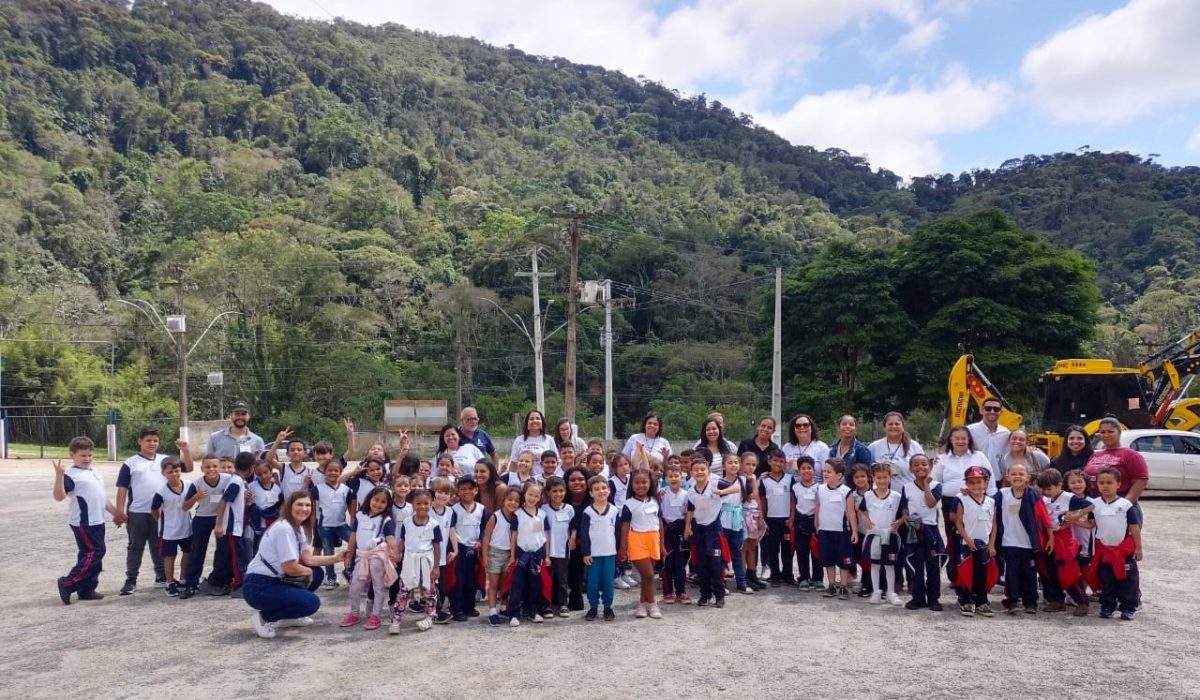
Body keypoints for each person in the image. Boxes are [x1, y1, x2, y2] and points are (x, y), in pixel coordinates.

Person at [242, 491, 345, 639]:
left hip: (275, 579)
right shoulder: (284, 528)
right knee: (311, 603)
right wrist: (307, 572)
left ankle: (288, 617)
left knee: (317, 573)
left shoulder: (298, 528)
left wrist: (337, 558)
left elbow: (308, 560)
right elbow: (289, 567)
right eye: (299, 504)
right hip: (259, 586)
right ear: (289, 506)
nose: (304, 509)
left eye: (308, 505)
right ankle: (263, 618)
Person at [114, 427, 192, 595]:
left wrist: (185, 450)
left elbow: (188, 468)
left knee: (159, 546)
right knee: (135, 546)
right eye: (148, 440)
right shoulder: (131, 463)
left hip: (161, 512)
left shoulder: (164, 460)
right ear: (140, 441)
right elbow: (122, 488)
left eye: (155, 440)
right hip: (137, 512)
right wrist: (120, 511)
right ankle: (131, 580)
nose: (152, 443)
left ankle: (161, 576)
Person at [54, 437, 115, 604]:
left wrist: (116, 513)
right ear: (72, 455)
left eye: (89, 455)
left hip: (98, 520)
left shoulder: (95, 472)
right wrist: (59, 476)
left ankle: (86, 589)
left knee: (88, 555)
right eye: (82, 455)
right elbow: (59, 496)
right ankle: (68, 582)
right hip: (84, 522)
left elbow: (102, 498)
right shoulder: (71, 475)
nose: (87, 459)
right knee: (96, 552)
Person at [932, 425, 995, 587]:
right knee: (955, 539)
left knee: (977, 537)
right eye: (956, 438)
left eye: (963, 438)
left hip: (978, 502)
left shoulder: (979, 456)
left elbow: (990, 480)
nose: (960, 441)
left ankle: (978, 574)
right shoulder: (942, 458)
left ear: (969, 440)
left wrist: (989, 499)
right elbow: (934, 481)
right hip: (951, 503)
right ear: (951, 440)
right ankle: (956, 576)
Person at [684, 453, 743, 608]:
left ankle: (719, 596)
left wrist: (722, 492)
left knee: (716, 565)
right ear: (691, 473)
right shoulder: (691, 491)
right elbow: (690, 510)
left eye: (702, 469)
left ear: (708, 471)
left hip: (714, 531)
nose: (699, 472)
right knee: (701, 566)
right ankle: (705, 595)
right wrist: (687, 527)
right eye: (696, 470)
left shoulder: (715, 484)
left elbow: (737, 487)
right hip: (699, 531)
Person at [994, 463, 1051, 615]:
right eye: (1013, 474)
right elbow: (987, 505)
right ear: (1007, 477)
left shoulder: (1033, 495)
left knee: (1030, 573)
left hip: (1028, 542)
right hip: (1009, 541)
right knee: (1011, 573)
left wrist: (1050, 537)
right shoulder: (1002, 494)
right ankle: (1012, 600)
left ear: (1028, 477)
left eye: (1021, 473)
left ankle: (1030, 602)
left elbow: (1045, 518)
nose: (1017, 476)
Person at [1037, 467, 1092, 616]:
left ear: (1059, 484)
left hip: (1064, 539)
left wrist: (1075, 517)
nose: (1046, 492)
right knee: (1049, 570)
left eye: (1049, 489)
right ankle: (1057, 600)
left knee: (1067, 571)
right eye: (1044, 489)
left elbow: (1091, 506)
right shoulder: (1045, 499)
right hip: (1049, 537)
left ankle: (1081, 601)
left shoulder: (1069, 498)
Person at [340, 487, 397, 631]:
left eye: (383, 502)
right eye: (376, 499)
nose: (378, 504)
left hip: (377, 556)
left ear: (388, 505)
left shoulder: (386, 520)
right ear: (370, 498)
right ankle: (354, 613)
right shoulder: (360, 515)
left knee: (378, 586)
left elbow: (390, 538)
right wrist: (349, 553)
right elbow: (353, 535)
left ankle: (376, 615)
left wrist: (395, 553)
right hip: (361, 556)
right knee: (355, 586)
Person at [1090, 468, 1143, 620]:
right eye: (1101, 483)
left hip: (1123, 551)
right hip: (1104, 551)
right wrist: (1073, 521)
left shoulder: (1126, 505)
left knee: (1127, 580)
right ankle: (1107, 606)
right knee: (1107, 580)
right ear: (1097, 485)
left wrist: (1138, 548)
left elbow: (1134, 527)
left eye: (1109, 482)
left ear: (1118, 484)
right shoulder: (1094, 504)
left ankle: (1128, 607)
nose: (1105, 486)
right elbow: (1090, 523)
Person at [390, 489, 442, 633]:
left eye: (426, 503)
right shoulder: (407, 522)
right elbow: (403, 540)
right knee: (404, 590)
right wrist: (397, 553)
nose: (422, 506)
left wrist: (436, 566)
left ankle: (429, 617)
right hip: (409, 560)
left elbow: (437, 547)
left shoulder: (434, 524)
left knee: (429, 591)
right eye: (418, 503)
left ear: (431, 504)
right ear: (412, 504)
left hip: (426, 561)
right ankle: (396, 620)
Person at [179, 454, 227, 599]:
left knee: (223, 551)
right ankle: (191, 584)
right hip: (202, 517)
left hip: (221, 518)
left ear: (220, 467)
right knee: (197, 551)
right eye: (207, 467)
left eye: (215, 466)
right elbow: (185, 507)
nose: (211, 469)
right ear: (202, 469)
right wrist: (196, 497)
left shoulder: (227, 480)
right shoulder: (197, 484)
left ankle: (218, 581)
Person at [900, 453, 944, 611]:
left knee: (933, 566)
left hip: (930, 529)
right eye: (916, 465)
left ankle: (933, 598)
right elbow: (905, 509)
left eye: (924, 464)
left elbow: (931, 504)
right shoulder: (906, 487)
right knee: (916, 565)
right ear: (911, 469)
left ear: (930, 466)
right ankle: (918, 597)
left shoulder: (936, 485)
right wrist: (907, 520)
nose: (920, 467)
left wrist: (926, 485)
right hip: (914, 529)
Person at [619, 469, 666, 618]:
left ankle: (642, 604)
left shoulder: (655, 501)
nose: (641, 485)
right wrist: (623, 547)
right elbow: (624, 526)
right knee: (649, 574)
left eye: (644, 482)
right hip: (637, 540)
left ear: (650, 483)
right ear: (632, 485)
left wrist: (662, 545)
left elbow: (660, 523)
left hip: (653, 539)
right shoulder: (629, 504)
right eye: (637, 482)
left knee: (647, 577)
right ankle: (652, 603)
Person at [205, 453, 252, 597]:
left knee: (232, 556)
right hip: (230, 528)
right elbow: (224, 502)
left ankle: (221, 582)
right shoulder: (236, 482)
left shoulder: (239, 481)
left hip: (235, 527)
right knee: (236, 557)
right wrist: (219, 525)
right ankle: (238, 585)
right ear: (251, 468)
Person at [953, 466, 998, 618]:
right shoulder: (962, 499)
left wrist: (992, 544)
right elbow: (958, 522)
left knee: (982, 572)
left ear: (986, 483)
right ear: (966, 484)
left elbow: (994, 524)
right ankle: (966, 600)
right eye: (971, 483)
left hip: (984, 543)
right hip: (968, 543)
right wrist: (967, 539)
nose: (976, 486)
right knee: (967, 572)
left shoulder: (991, 501)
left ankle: (981, 601)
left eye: (979, 482)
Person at [859, 463, 905, 606]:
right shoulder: (868, 495)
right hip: (874, 534)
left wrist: (900, 521)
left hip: (890, 534)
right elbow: (860, 509)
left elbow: (904, 512)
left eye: (885, 477)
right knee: (875, 565)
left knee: (890, 565)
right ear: (873, 478)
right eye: (878, 478)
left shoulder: (896, 496)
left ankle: (891, 593)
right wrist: (865, 519)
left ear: (890, 477)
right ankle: (876, 592)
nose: (882, 481)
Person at [578, 475, 620, 621]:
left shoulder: (614, 510)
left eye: (603, 488)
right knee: (593, 583)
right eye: (596, 489)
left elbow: (617, 532)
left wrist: (619, 549)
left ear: (609, 490)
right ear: (591, 493)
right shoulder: (588, 512)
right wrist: (586, 552)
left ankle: (608, 607)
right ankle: (593, 607)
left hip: (610, 553)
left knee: (608, 582)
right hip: (594, 554)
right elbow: (584, 534)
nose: (601, 491)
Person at [508, 482, 549, 627]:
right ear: (524, 494)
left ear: (540, 497)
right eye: (530, 494)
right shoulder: (518, 514)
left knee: (536, 584)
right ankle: (514, 613)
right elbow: (514, 535)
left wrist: (547, 556)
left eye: (536, 496)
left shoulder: (542, 514)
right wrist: (512, 556)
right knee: (517, 584)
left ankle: (534, 611)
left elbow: (545, 535)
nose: (532, 498)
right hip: (522, 554)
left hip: (537, 553)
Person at [150, 456, 193, 597]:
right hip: (169, 531)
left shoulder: (189, 485)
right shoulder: (161, 492)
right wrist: (161, 522)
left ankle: (183, 579)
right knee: (169, 556)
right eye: (170, 472)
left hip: (186, 527)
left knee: (187, 553)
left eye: (177, 470)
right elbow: (154, 509)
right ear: (163, 473)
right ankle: (169, 583)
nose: (174, 474)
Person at [816, 458, 857, 600]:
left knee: (844, 561)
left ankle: (844, 586)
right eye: (824, 471)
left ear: (839, 475)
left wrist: (854, 531)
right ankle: (832, 585)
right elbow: (818, 507)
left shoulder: (846, 491)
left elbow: (851, 513)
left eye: (829, 471)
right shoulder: (820, 489)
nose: (825, 474)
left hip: (842, 532)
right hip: (825, 530)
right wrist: (817, 525)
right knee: (828, 560)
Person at [1084, 417, 1150, 503]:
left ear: (1119, 432)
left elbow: (1140, 481)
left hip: (1119, 504)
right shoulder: (1095, 455)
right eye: (1103, 432)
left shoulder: (1131, 455)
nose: (1106, 435)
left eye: (1110, 432)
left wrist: (1124, 504)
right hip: (1095, 504)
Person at [481, 488, 520, 627]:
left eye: (516, 501)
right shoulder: (495, 517)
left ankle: (503, 607)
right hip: (494, 553)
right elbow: (486, 536)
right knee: (493, 584)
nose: (513, 503)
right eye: (510, 499)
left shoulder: (517, 517)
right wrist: (484, 555)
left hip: (509, 553)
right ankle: (492, 611)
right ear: (504, 500)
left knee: (505, 583)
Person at [448, 476, 485, 621]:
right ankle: (456, 609)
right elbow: (451, 528)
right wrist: (456, 545)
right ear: (458, 491)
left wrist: (480, 541)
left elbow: (484, 528)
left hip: (474, 548)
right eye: (463, 489)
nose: (467, 492)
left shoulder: (481, 509)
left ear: (476, 490)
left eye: (470, 488)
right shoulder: (454, 510)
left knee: (472, 579)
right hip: (460, 547)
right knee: (458, 579)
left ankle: (469, 606)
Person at [757, 449, 795, 586]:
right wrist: (762, 519)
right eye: (775, 461)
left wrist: (792, 517)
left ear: (785, 463)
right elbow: (762, 501)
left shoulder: (789, 479)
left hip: (786, 520)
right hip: (771, 520)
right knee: (772, 549)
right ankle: (775, 575)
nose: (778, 464)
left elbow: (792, 500)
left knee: (787, 549)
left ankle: (788, 575)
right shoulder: (764, 480)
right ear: (769, 461)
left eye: (781, 461)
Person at [718, 453, 754, 595]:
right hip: (723, 520)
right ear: (723, 466)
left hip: (737, 520)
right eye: (730, 462)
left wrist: (753, 481)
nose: (733, 465)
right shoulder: (718, 482)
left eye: (736, 462)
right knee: (721, 554)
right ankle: (721, 583)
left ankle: (741, 582)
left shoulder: (743, 481)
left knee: (737, 553)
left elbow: (750, 497)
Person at [313, 461, 351, 588]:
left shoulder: (346, 489)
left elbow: (351, 507)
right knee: (328, 552)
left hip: (341, 525)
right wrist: (311, 524)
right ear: (324, 472)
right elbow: (311, 507)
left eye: (336, 470)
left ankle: (349, 570)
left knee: (355, 544)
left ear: (341, 472)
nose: (333, 473)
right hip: (325, 526)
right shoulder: (317, 489)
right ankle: (330, 578)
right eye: (329, 470)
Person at [540, 476, 574, 618]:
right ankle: (546, 605)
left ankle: (562, 604)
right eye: (554, 491)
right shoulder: (543, 509)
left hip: (562, 551)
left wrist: (573, 538)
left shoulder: (569, 509)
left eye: (561, 490)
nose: (558, 494)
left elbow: (573, 526)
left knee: (562, 579)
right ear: (548, 492)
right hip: (547, 552)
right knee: (547, 580)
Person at [659, 463, 690, 604]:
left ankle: (681, 592)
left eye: (676, 476)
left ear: (681, 478)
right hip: (666, 529)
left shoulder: (686, 494)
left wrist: (687, 528)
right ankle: (667, 593)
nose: (674, 479)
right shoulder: (662, 493)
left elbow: (688, 513)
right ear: (666, 478)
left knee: (680, 563)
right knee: (668, 562)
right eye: (670, 476)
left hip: (680, 529)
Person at [790, 455, 820, 591]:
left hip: (815, 522)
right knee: (802, 551)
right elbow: (793, 504)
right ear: (798, 471)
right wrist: (791, 519)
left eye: (809, 468)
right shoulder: (795, 487)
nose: (806, 471)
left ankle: (818, 578)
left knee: (816, 551)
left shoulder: (820, 487)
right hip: (800, 521)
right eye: (803, 468)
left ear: (814, 470)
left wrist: (818, 523)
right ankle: (804, 577)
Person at [868, 412, 923, 487]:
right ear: (884, 428)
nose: (894, 426)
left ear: (903, 427)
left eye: (897, 424)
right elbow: (867, 471)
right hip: (883, 493)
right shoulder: (874, 446)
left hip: (909, 492)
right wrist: (879, 467)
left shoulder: (914, 446)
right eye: (890, 424)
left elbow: (923, 470)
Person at [563, 466, 591, 610]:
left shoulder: (594, 502)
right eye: (572, 480)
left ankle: (576, 594)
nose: (577, 482)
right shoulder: (561, 500)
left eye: (581, 479)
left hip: (586, 547)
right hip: (563, 545)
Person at [246, 460, 282, 554]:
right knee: (258, 548)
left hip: (273, 523)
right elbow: (247, 503)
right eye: (259, 474)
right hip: (258, 524)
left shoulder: (277, 489)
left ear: (271, 471)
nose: (263, 476)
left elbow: (278, 506)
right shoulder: (251, 487)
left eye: (266, 472)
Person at [967, 397, 1011, 474]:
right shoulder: (969, 431)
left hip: (998, 477)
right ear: (981, 410)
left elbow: (1007, 457)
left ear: (1001, 412)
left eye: (996, 409)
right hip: (975, 477)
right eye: (988, 408)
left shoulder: (1006, 433)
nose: (992, 411)